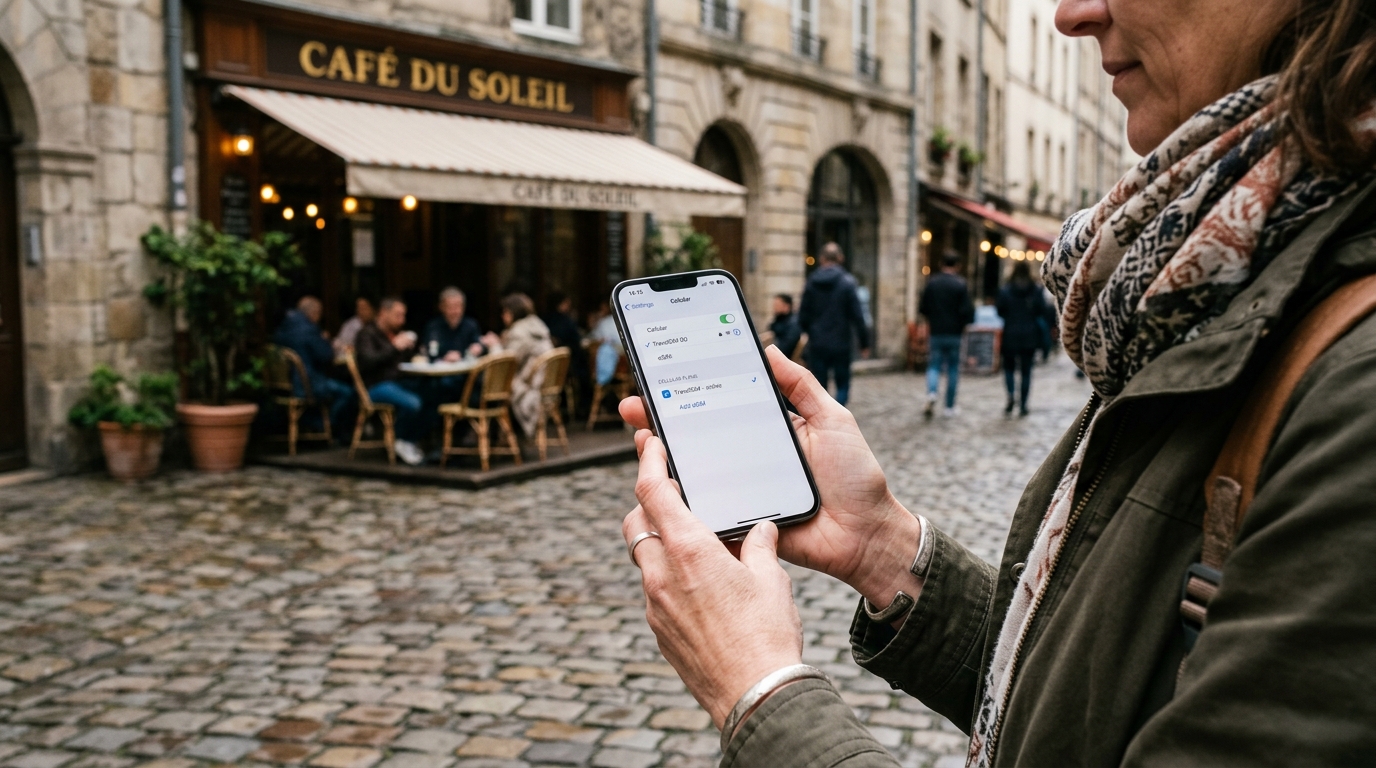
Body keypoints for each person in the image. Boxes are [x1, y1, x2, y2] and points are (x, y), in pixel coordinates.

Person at [617, 1, 1376, 765]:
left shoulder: (1352, 381)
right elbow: (1087, 702)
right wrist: (883, 548)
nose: (1072, 14)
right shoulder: (1216, 282)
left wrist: (760, 693)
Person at [353, 297, 425, 466]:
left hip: (398, 382)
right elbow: (368, 362)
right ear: (384, 313)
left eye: (403, 315)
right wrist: (394, 347)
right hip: (375, 386)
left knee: (433, 392)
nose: (402, 320)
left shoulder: (393, 334)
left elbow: (400, 362)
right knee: (413, 403)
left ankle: (408, 440)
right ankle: (399, 440)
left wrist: (412, 350)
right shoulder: (366, 334)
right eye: (398, 315)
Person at [797, 243, 870, 406]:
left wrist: (809, 332)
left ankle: (824, 414)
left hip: (818, 343)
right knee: (842, 384)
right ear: (840, 258)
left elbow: (802, 315)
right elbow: (858, 316)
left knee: (820, 386)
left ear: (821, 259)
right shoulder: (847, 283)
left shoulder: (811, 282)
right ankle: (838, 411)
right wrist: (864, 343)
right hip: (841, 343)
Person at [272, 296, 353, 431]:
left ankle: (313, 424)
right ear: (314, 313)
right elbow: (326, 356)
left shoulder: (283, 327)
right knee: (347, 392)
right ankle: (326, 426)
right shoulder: (308, 330)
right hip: (306, 384)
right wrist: (324, 340)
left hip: (286, 384)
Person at [482, 293, 554, 437]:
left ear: (512, 312)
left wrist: (494, 345)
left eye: (505, 312)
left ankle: (485, 435)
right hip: (544, 385)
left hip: (529, 387)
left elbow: (504, 363)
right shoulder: (536, 325)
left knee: (485, 386)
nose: (503, 316)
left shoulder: (519, 332)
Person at [919, 251, 975, 418]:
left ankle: (932, 392)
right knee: (952, 369)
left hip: (936, 331)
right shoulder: (960, 284)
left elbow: (923, 308)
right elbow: (968, 311)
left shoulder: (932, 283)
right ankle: (949, 406)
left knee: (934, 365)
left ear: (941, 264)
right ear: (957, 265)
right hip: (954, 333)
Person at [995, 261, 1053, 417]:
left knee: (1009, 368)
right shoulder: (1035, 290)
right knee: (1026, 371)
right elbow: (1042, 310)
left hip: (1010, 333)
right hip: (1029, 334)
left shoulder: (1006, 289)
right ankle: (1023, 404)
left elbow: (1000, 311)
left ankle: (1011, 395)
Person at [422, 287, 486, 362]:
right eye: (450, 307)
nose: (454, 311)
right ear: (441, 307)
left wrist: (478, 348)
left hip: (466, 370)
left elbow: (479, 345)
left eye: (457, 306)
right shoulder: (433, 327)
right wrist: (445, 357)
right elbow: (429, 352)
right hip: (440, 370)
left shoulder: (471, 325)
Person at [769, 294, 803, 359]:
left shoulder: (793, 323)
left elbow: (786, 347)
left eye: (777, 304)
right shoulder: (780, 320)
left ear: (786, 306)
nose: (774, 307)